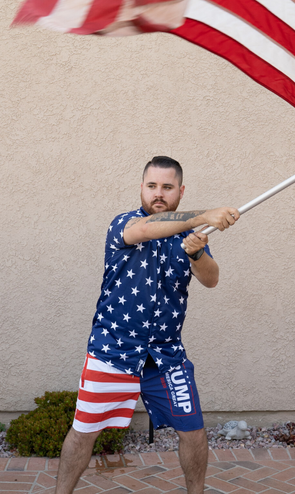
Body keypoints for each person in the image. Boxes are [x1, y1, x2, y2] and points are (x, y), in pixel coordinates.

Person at [55, 156, 239, 494]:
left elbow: (211, 279)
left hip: (166, 355)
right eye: (152, 186)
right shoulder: (124, 224)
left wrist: (197, 254)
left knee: (194, 431)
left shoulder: (190, 237)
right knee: (83, 432)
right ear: (141, 188)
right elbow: (146, 229)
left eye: (167, 187)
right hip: (113, 351)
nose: (158, 193)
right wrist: (202, 215)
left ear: (180, 191)